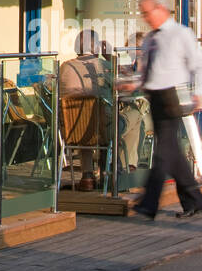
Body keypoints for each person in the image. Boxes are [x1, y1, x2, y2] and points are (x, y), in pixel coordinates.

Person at [123, 0, 202, 220]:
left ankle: (148, 203)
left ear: (161, 9)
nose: (145, 17)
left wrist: (199, 92)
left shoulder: (181, 34)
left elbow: (200, 64)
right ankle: (194, 201)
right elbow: (148, 69)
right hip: (155, 97)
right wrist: (136, 85)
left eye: (147, 12)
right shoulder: (151, 38)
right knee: (172, 152)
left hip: (172, 96)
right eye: (142, 13)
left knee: (163, 152)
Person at [61, 29, 143, 189]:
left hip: (69, 129)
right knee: (135, 113)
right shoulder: (103, 66)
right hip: (102, 130)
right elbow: (126, 88)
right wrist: (111, 60)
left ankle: (87, 176)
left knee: (84, 119)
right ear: (96, 47)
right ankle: (127, 169)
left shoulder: (64, 67)